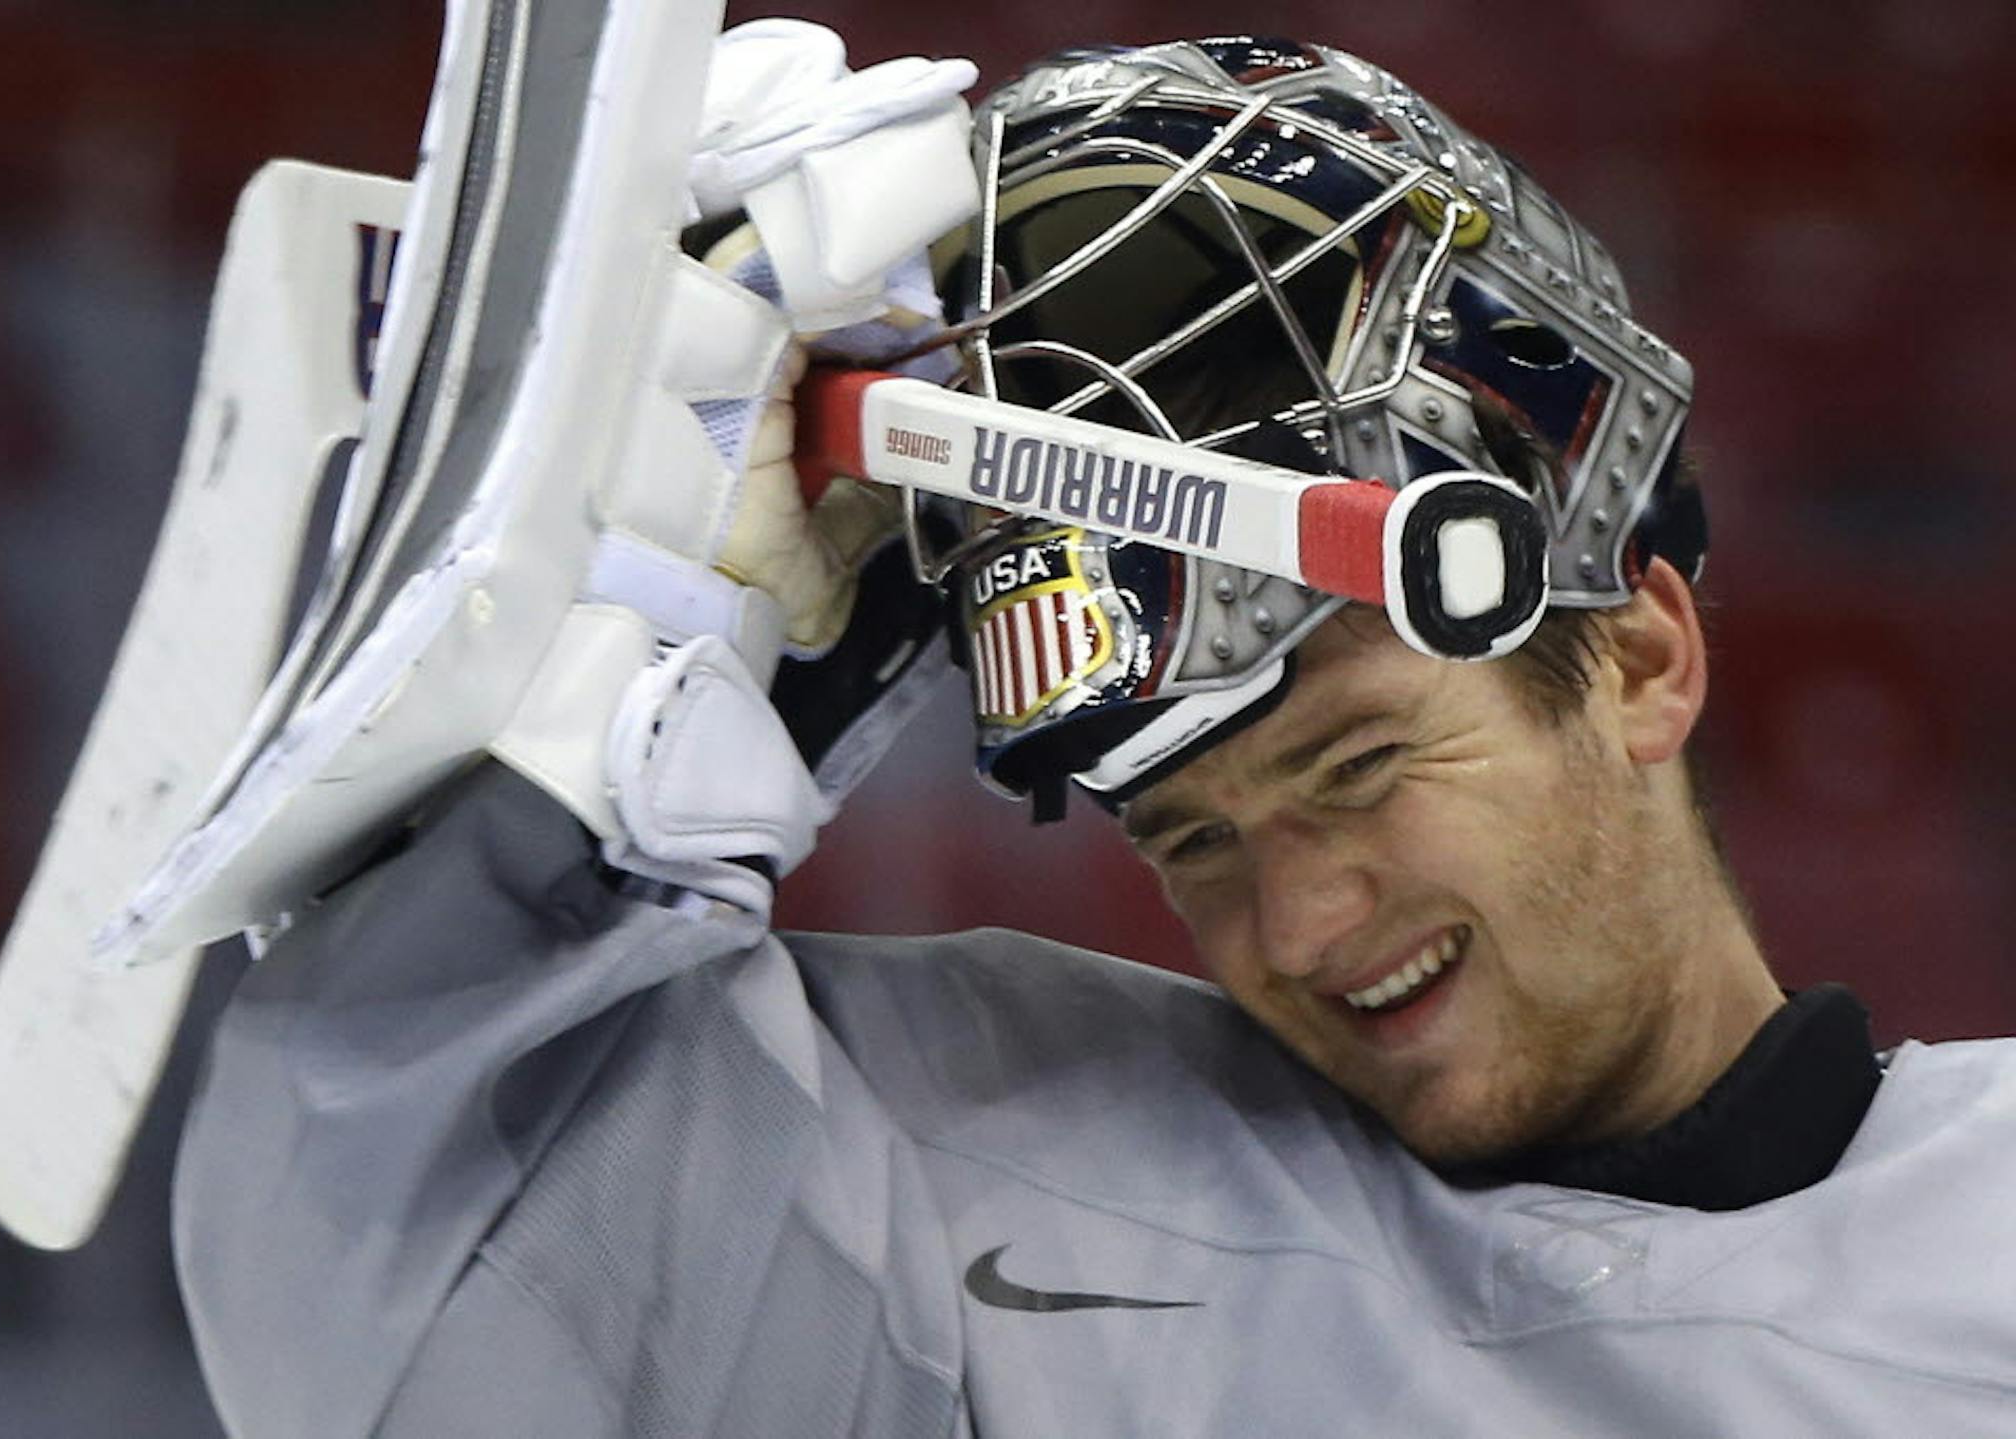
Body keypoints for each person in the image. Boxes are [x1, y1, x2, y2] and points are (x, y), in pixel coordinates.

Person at [173, 34, 2016, 1437]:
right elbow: (420, 1347)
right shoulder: (990, 1162)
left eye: (1357, 767)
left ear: (1635, 664)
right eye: (1188, 836)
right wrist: (556, 800)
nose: (1296, 929)